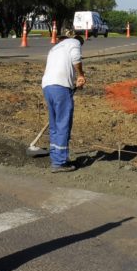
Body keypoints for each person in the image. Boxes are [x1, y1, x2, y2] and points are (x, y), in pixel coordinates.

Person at [41, 29, 86, 173]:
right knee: (63, 123)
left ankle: (56, 157)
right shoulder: (74, 43)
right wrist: (80, 75)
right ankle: (60, 162)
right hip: (60, 87)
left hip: (48, 86)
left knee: (55, 123)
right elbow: (76, 58)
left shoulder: (55, 47)